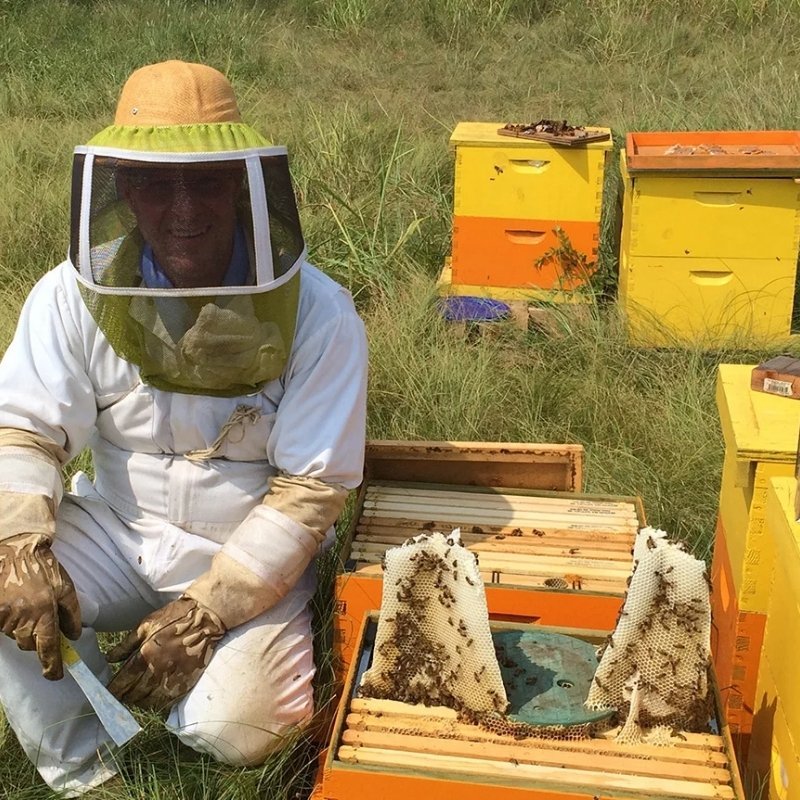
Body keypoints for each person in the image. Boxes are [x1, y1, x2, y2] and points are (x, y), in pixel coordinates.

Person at [0, 60, 367, 797]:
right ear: (122, 190)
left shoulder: (320, 313)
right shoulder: (70, 297)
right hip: (117, 526)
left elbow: (311, 489)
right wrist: (18, 542)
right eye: (155, 183)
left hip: (251, 555)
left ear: (241, 183)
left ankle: (193, 691)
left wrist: (206, 613)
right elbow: (24, 432)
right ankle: (87, 766)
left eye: (203, 181)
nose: (182, 209)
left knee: (236, 727)